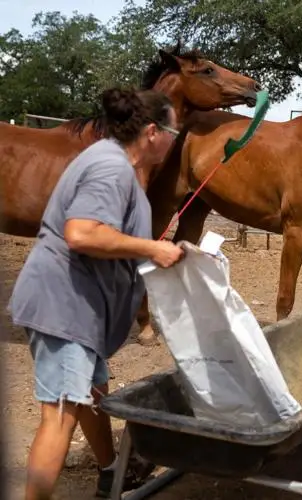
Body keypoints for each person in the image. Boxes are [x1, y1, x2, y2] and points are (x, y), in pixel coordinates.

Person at [8, 86, 185, 499]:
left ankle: (110, 471)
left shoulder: (117, 163)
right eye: (174, 134)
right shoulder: (112, 167)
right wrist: (152, 248)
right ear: (152, 133)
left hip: (81, 306)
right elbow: (82, 232)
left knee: (92, 389)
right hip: (63, 305)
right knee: (60, 417)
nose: (176, 142)